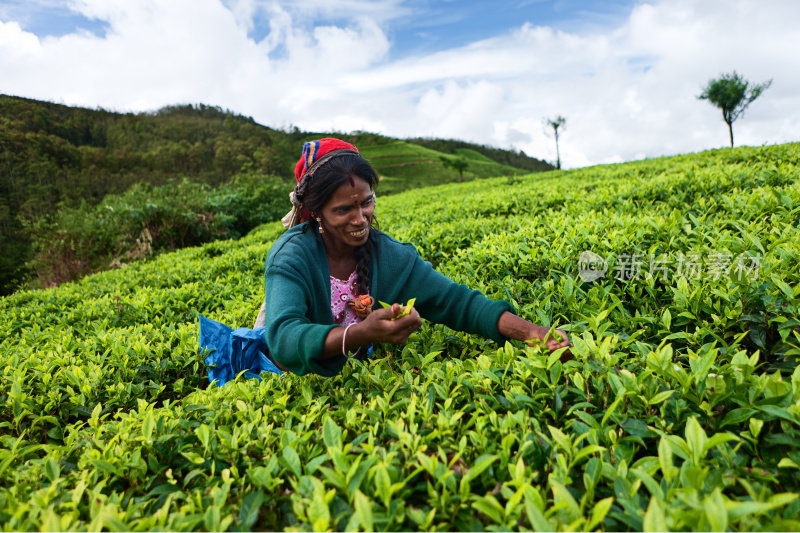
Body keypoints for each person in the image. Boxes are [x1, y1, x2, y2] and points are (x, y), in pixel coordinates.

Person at [250, 137, 571, 377]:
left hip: (355, 376)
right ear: (317, 212)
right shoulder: (291, 257)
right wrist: (359, 334)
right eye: (344, 210)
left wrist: (532, 332)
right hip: (288, 375)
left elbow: (457, 302)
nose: (361, 218)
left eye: (366, 202)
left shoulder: (387, 255)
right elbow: (283, 338)